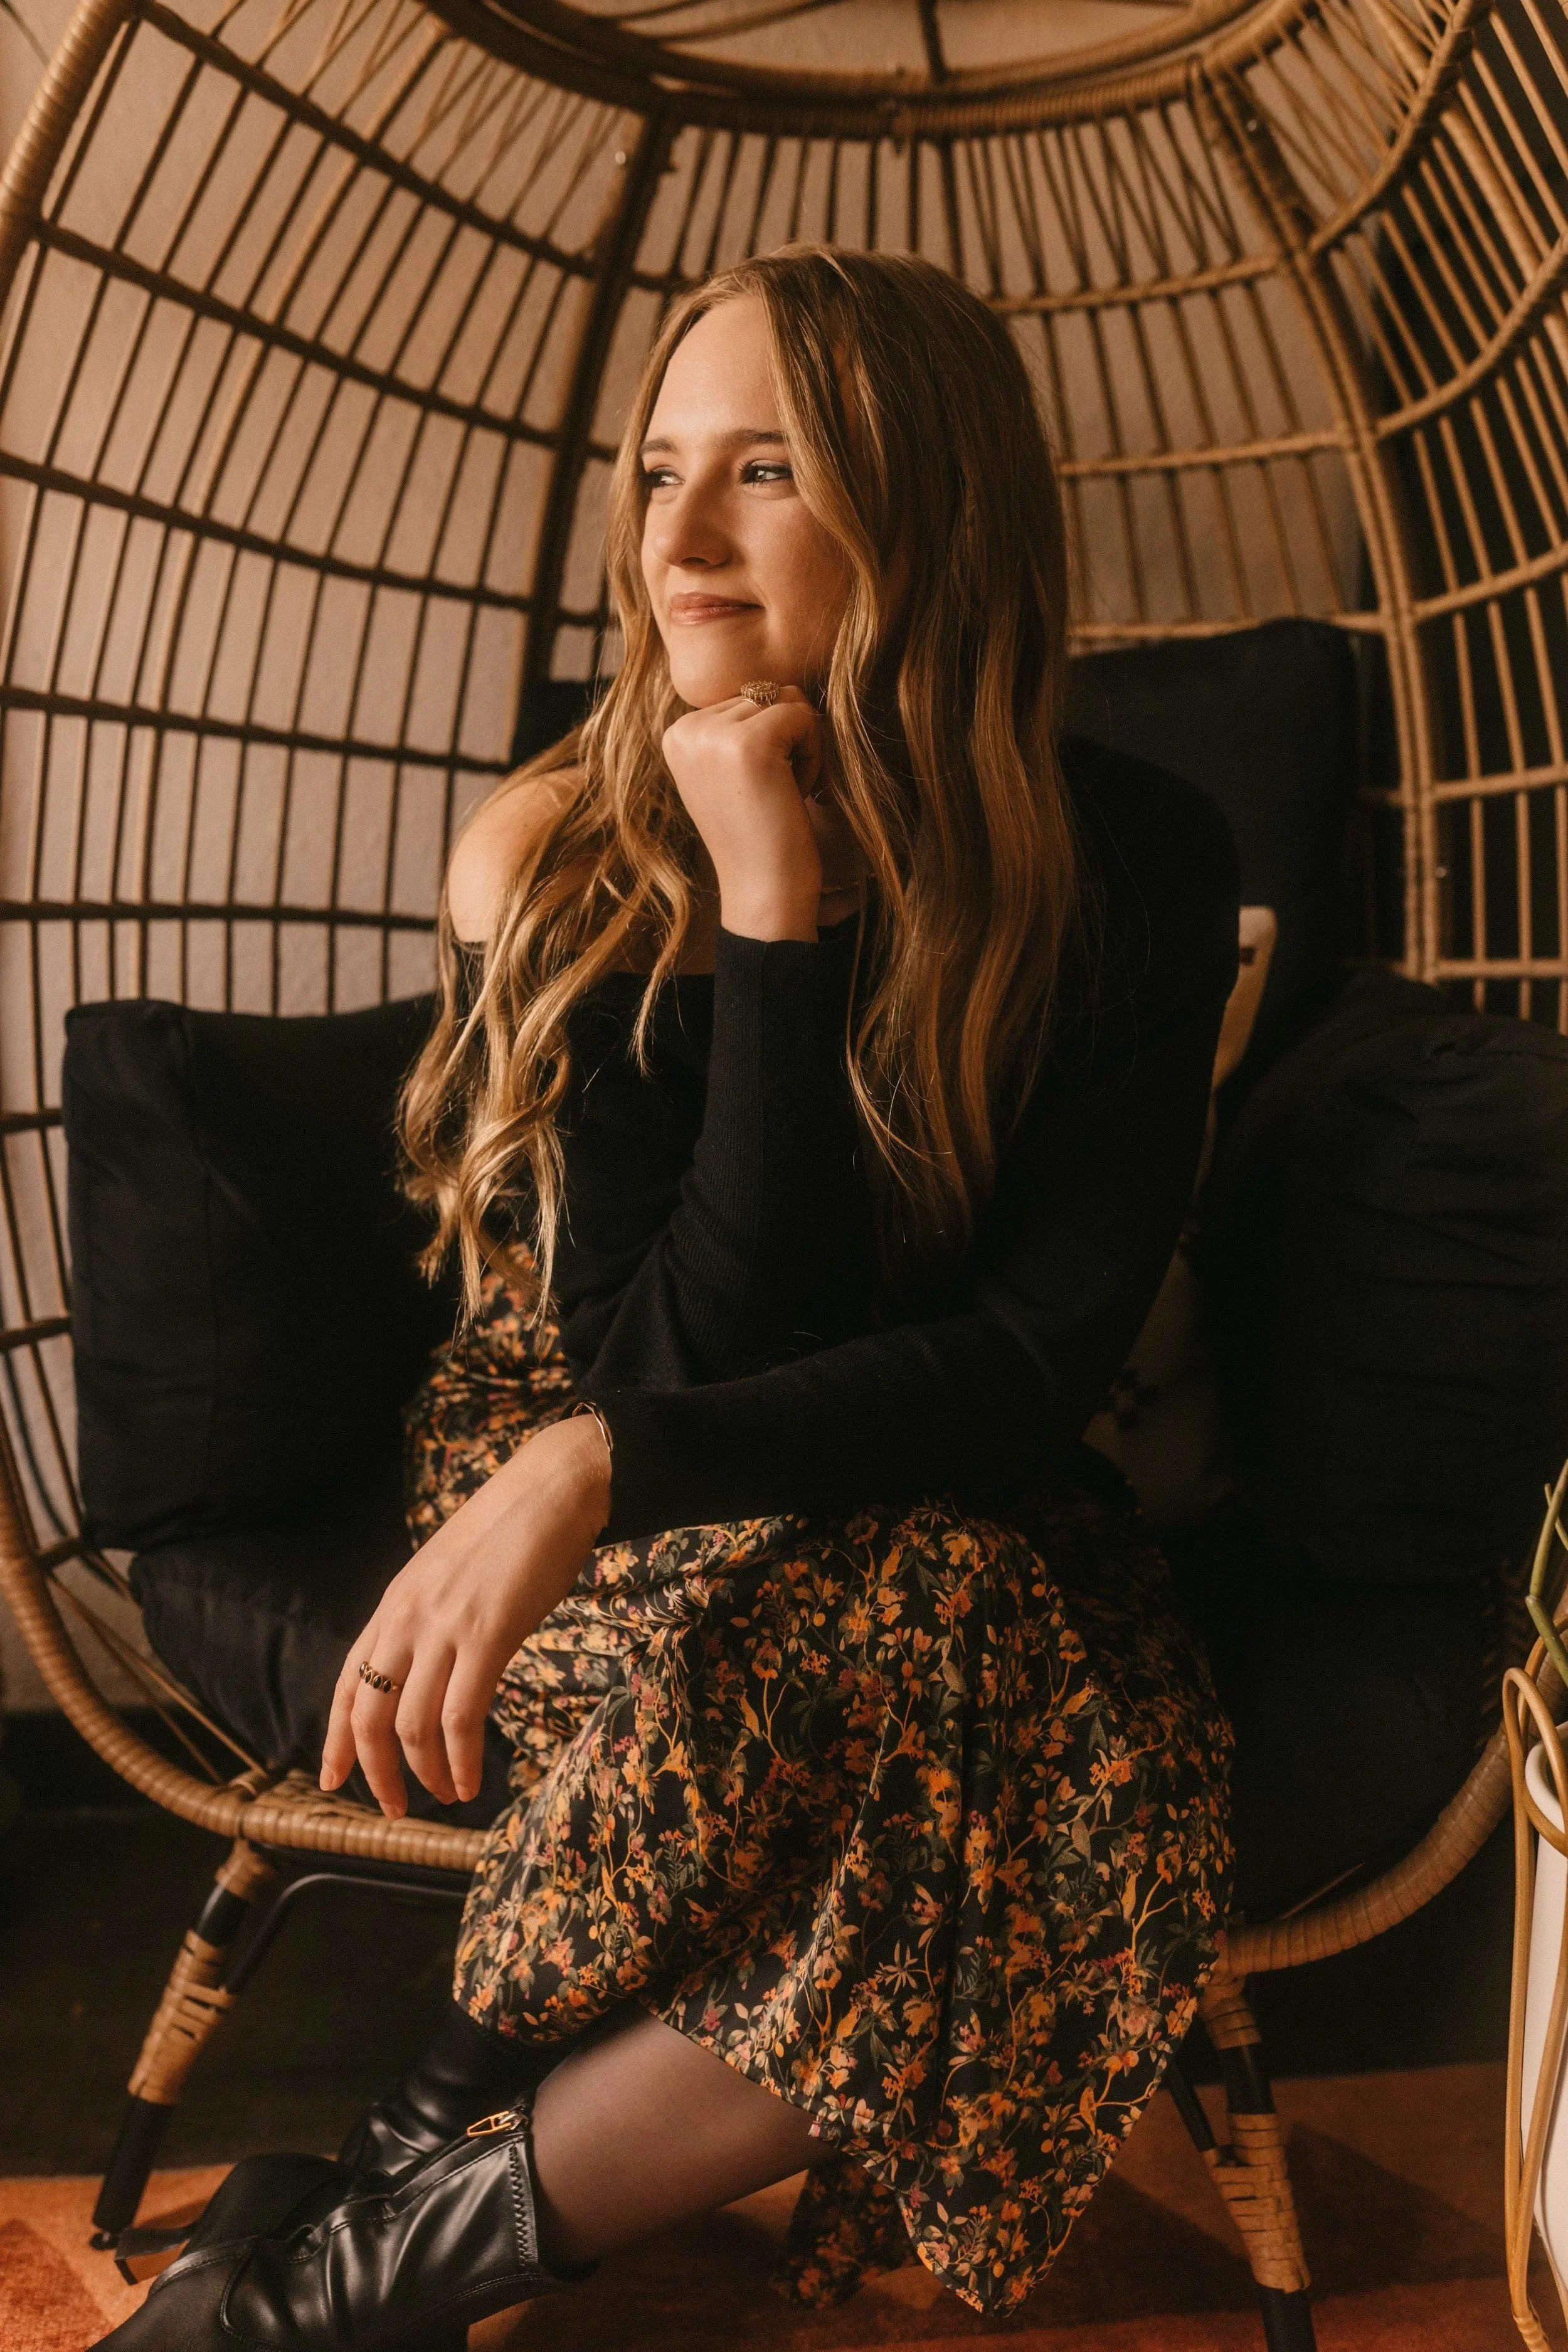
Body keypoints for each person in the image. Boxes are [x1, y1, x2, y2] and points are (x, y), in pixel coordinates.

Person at [98, 244, 1237, 2351]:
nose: (679, 543)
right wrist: (766, 902)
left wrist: (591, 1474)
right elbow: (666, 1351)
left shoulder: (1134, 861)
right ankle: (373, 2212)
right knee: (1007, 1723)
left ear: (926, 512)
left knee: (960, 1622)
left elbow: (1025, 1361)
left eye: (767, 472)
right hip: (605, 1420)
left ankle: (331, 2266)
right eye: (656, 474)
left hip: (870, 1472)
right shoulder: (574, 845)